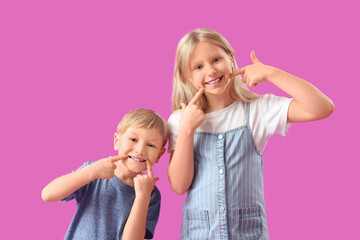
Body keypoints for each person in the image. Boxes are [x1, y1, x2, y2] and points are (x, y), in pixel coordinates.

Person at [167, 28, 334, 239]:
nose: (210, 70)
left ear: (231, 58)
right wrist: (187, 131)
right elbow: (179, 186)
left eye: (216, 59)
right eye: (198, 67)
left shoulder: (257, 109)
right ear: (186, 76)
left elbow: (322, 108)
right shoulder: (179, 121)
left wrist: (272, 73)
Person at [42, 108, 167, 240]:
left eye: (151, 145)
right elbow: (48, 194)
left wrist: (142, 196)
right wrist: (91, 172)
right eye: (133, 139)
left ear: (159, 155)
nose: (140, 150)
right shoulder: (94, 171)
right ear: (117, 141)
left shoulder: (151, 194)